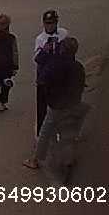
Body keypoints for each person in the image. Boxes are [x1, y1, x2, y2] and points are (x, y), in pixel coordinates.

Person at [24, 37, 88, 177]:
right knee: (68, 133)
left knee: (45, 132)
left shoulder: (55, 65)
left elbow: (42, 80)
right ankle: (68, 159)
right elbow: (82, 84)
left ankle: (35, 159)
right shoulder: (78, 66)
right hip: (74, 104)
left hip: (57, 106)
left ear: (62, 49)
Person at [33, 9, 70, 137]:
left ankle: (61, 131)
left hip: (59, 76)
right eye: (47, 23)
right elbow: (37, 59)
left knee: (60, 105)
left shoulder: (63, 34)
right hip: (45, 77)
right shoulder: (40, 39)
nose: (50, 26)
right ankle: (40, 134)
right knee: (42, 108)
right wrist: (45, 50)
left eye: (52, 23)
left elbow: (69, 51)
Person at [0, 14, 19, 113]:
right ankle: (3, 102)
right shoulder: (12, 38)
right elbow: (15, 52)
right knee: (6, 84)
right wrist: (15, 66)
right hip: (7, 64)